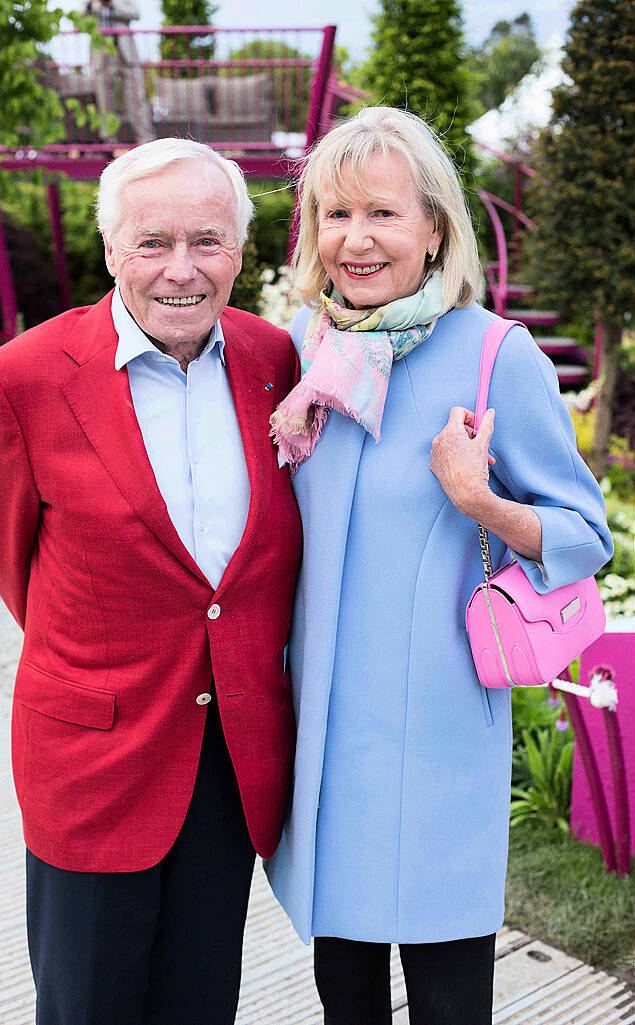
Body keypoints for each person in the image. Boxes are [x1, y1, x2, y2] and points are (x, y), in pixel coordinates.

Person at [266, 106, 613, 1025]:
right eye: (335, 215)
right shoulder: (302, 347)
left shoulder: (496, 354)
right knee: (343, 982)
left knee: (446, 981)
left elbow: (586, 531)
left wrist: (481, 503)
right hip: (321, 728)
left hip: (436, 726)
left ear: (434, 229)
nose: (356, 239)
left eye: (382, 213)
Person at [0, 138, 302, 1025]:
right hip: (93, 762)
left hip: (230, 759)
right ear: (111, 250)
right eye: (152, 243)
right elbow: (13, 565)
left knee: (201, 1003)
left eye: (207, 240)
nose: (182, 270)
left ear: (241, 248)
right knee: (87, 1007)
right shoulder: (24, 378)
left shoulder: (277, 359)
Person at [83, 0, 153, 143]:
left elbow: (135, 13)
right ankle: (109, 141)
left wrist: (112, 5)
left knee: (136, 97)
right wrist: (93, 6)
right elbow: (82, 18)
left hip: (126, 51)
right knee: (104, 98)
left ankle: (145, 139)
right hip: (101, 53)